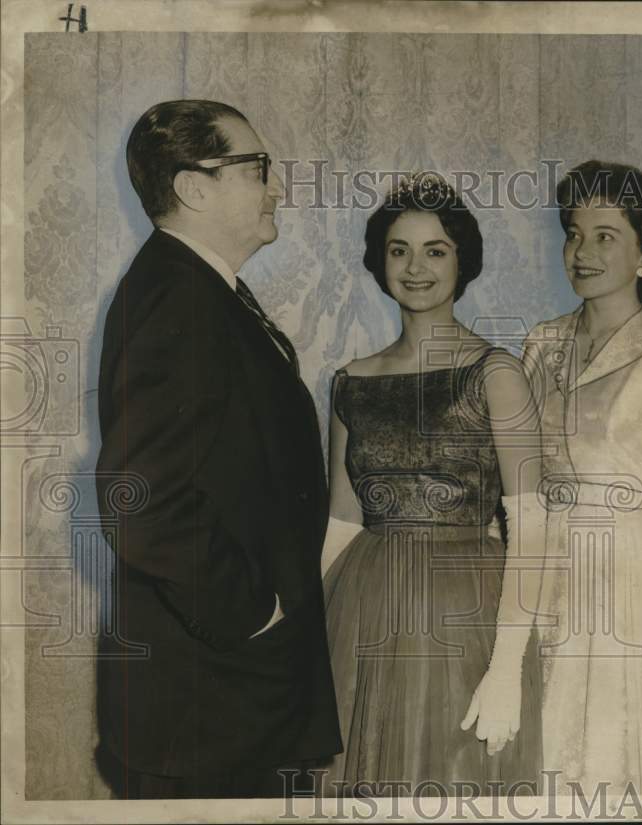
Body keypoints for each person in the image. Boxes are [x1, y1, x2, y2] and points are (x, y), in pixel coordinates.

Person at [94, 100, 341, 799]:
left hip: (224, 698)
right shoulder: (179, 297)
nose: (277, 186)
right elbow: (139, 502)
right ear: (194, 187)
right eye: (258, 167)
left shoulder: (199, 289)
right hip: (210, 701)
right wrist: (254, 611)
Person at [320, 173, 546, 796]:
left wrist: (505, 669)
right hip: (362, 611)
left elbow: (532, 529)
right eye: (399, 250)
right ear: (379, 262)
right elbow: (342, 520)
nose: (415, 267)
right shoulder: (351, 382)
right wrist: (308, 644)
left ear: (462, 262)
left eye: (435, 250)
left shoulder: (496, 373)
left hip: (464, 614)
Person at [522, 160, 642, 795]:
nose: (582, 251)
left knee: (630, 763)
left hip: (633, 583)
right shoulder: (541, 345)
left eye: (606, 235)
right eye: (574, 233)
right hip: (546, 570)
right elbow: (517, 484)